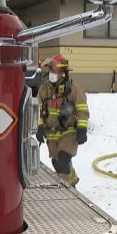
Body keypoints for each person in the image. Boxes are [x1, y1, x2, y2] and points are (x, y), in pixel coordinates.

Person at [36, 54, 88, 187]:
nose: (52, 73)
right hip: (51, 133)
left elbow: (82, 109)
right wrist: (40, 128)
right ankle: (71, 180)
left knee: (63, 160)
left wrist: (82, 129)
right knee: (57, 164)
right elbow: (39, 110)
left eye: (55, 71)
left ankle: (71, 186)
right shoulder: (45, 89)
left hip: (68, 132)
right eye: (50, 71)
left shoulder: (73, 89)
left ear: (62, 72)